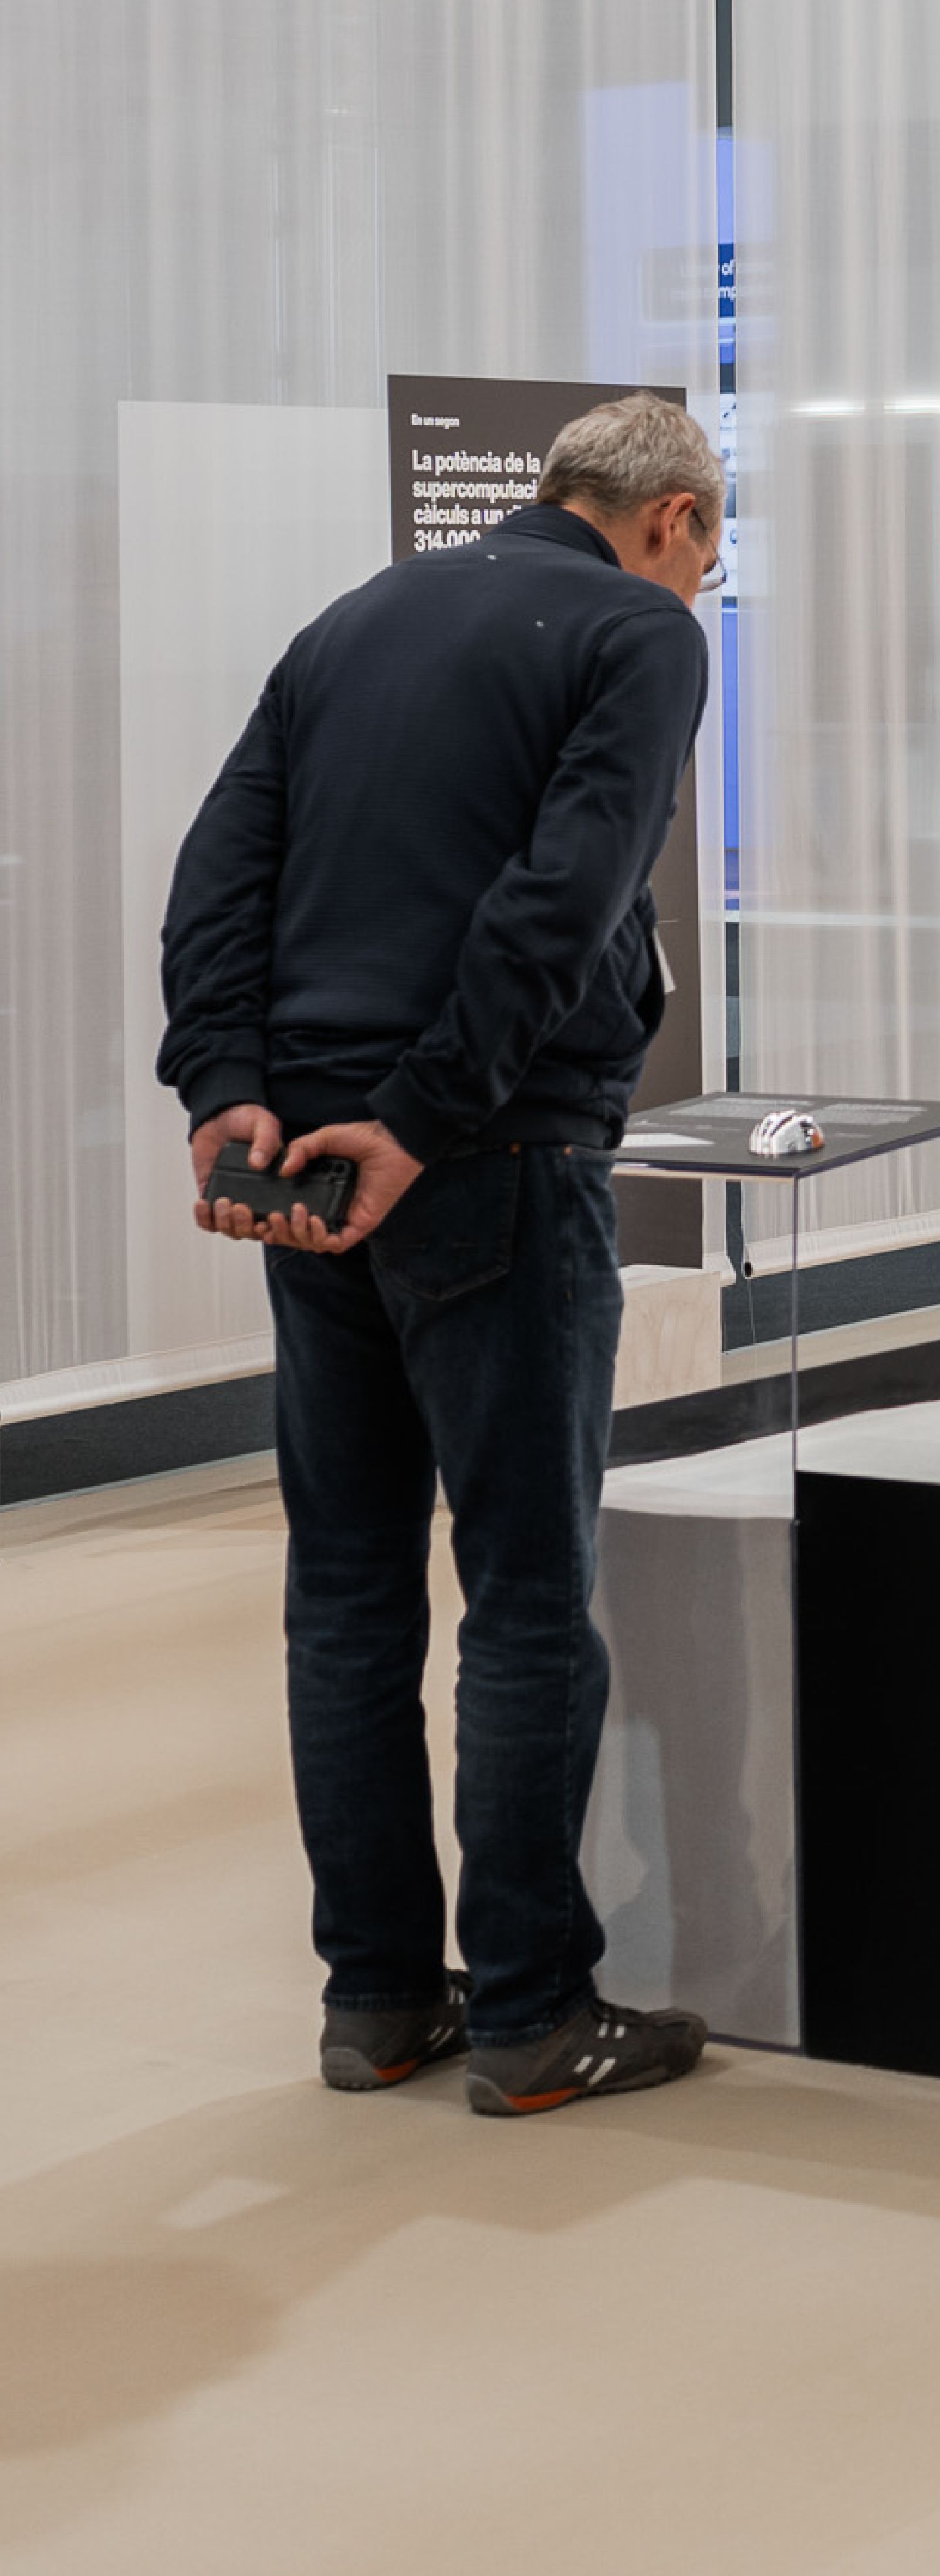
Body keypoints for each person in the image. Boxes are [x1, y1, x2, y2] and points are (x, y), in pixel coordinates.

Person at [157, 393, 722, 2116]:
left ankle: (381, 1999)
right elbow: (564, 898)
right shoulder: (640, 636)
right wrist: (423, 1111)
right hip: (486, 1158)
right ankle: (536, 2011)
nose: (705, 578)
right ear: (674, 520)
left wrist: (228, 1090)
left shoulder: (354, 619)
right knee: (528, 1595)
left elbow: (219, 872)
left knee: (346, 1593)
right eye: (711, 549)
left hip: (305, 1171)